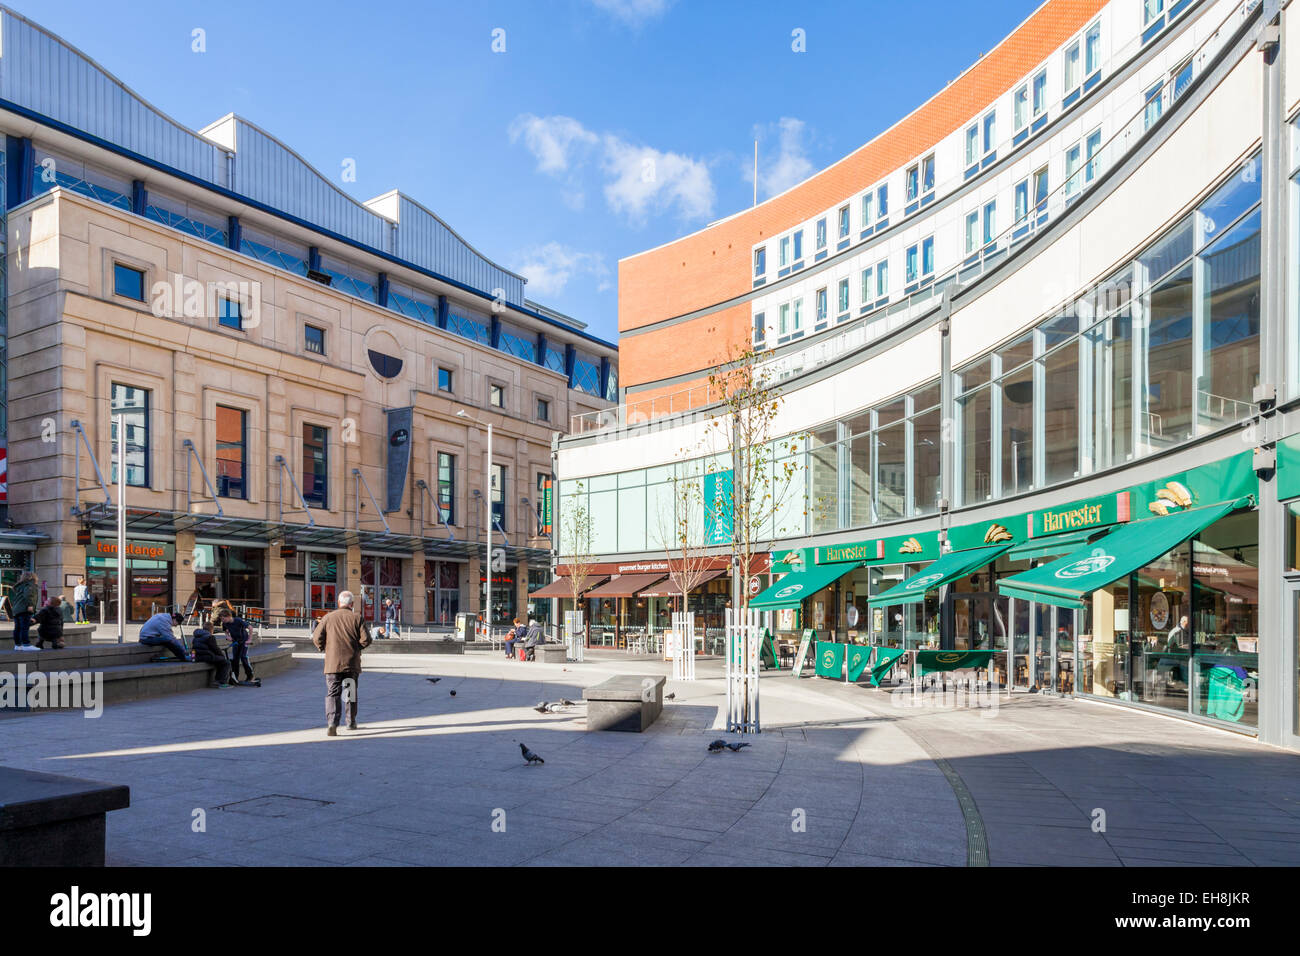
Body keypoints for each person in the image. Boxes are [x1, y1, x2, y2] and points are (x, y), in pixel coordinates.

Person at [311, 591, 372, 736]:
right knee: (350, 692)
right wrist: (356, 648)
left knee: (333, 693)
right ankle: (350, 722)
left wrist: (324, 648)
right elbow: (367, 639)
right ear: (352, 604)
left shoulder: (328, 617)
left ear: (339, 603)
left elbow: (316, 637)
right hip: (351, 663)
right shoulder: (357, 618)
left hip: (332, 663)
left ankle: (332, 722)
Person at [218, 608, 255, 684]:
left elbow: (250, 628)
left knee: (243, 657)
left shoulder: (238, 620)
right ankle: (235, 677)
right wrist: (228, 636)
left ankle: (250, 676)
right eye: (221, 619)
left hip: (244, 641)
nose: (222, 620)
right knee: (235, 659)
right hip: (236, 642)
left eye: (223, 618)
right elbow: (226, 631)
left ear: (228, 616)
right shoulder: (225, 623)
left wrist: (249, 639)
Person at [10, 571, 39, 650]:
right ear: (32, 577)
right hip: (24, 609)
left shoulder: (20, 585)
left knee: (17, 628)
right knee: (24, 627)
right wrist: (30, 605)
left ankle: (18, 645)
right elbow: (28, 595)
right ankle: (26, 644)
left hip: (17, 609)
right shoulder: (30, 584)